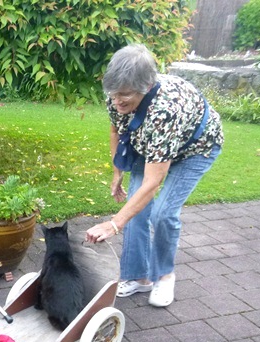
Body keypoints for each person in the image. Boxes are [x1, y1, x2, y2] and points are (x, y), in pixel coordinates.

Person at [85, 44, 223, 307]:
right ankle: (138, 277)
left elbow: (153, 182)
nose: (116, 101)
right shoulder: (116, 94)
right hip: (149, 143)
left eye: (124, 95)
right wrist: (118, 173)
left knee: (162, 212)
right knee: (134, 210)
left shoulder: (165, 110)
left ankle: (164, 276)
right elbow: (117, 131)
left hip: (196, 148)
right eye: (113, 94)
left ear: (146, 87)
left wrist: (113, 224)